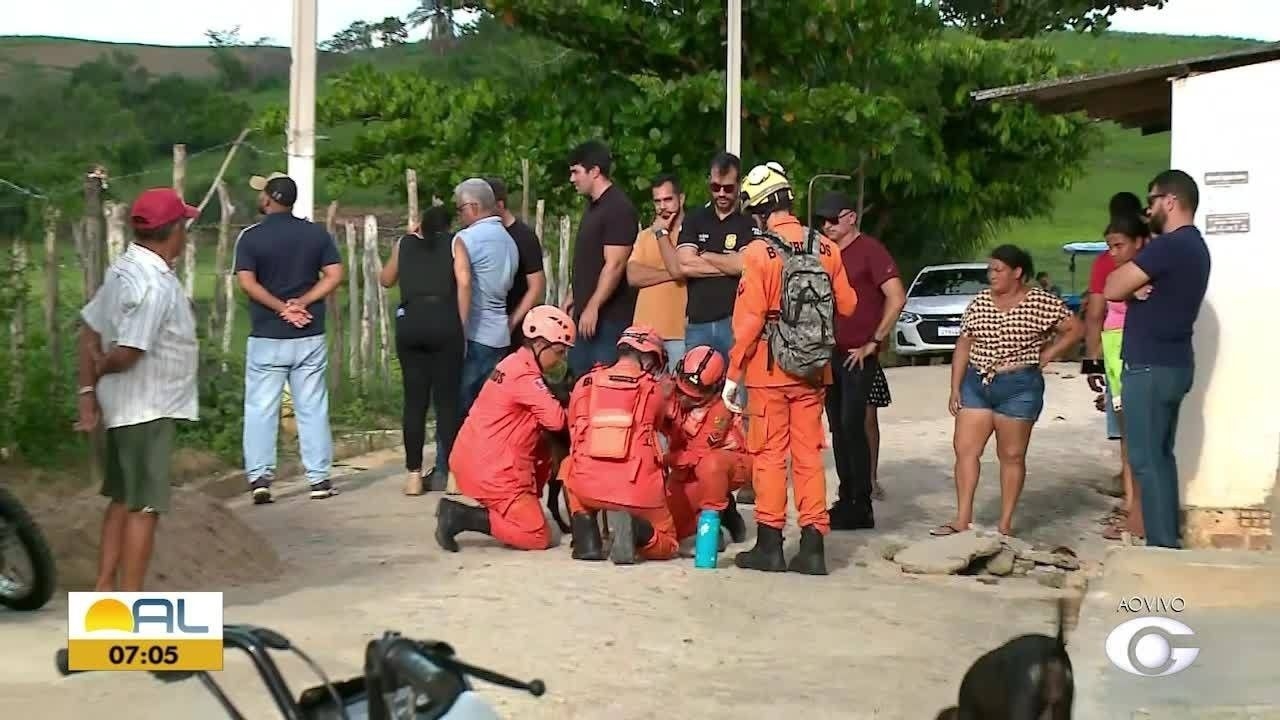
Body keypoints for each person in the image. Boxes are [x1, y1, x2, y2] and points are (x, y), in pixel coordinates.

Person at [725, 162, 858, 576]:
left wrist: (733, 373)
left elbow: (748, 323)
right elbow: (849, 305)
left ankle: (770, 545)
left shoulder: (757, 253)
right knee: (808, 457)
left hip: (769, 372)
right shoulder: (827, 248)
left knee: (768, 456)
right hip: (814, 371)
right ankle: (813, 546)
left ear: (760, 210)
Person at [75, 187, 200, 591]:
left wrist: (88, 393)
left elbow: (89, 328)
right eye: (184, 226)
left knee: (122, 498)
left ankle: (104, 587)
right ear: (174, 231)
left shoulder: (124, 270)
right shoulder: (153, 286)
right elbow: (129, 351)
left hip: (125, 405)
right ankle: (130, 599)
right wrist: (101, 366)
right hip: (147, 407)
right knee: (144, 506)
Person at [935, 244, 1082, 539]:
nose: (992, 275)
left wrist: (1048, 354)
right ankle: (962, 518)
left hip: (1019, 384)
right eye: (990, 269)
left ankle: (1005, 524)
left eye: (998, 269)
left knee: (1011, 455)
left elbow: (1075, 329)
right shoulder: (979, 302)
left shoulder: (1039, 301)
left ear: (1017, 272)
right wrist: (955, 387)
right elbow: (964, 344)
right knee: (965, 449)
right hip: (977, 381)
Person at [1104, 170, 1211, 549]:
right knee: (1161, 458)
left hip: (1150, 365)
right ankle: (1166, 542)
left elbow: (1111, 287)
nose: (1147, 210)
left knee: (1146, 460)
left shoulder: (1168, 247)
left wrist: (1129, 287)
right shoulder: (1196, 246)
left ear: (1170, 200)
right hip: (1175, 363)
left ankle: (1162, 546)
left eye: (1151, 200)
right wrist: (1135, 288)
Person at [234, 173, 344, 503]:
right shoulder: (316, 234)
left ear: (269, 199)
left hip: (267, 335)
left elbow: (247, 283)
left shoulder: (251, 237)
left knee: (261, 408)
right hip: (308, 333)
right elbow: (334, 275)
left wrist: (282, 308)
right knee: (312, 407)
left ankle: (260, 477)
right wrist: (303, 303)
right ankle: (319, 478)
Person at [434, 305, 577, 552]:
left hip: (474, 458)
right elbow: (555, 420)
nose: (561, 359)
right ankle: (460, 516)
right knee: (536, 535)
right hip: (493, 470)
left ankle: (498, 514)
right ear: (539, 344)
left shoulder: (511, 363)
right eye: (559, 351)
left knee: (527, 513)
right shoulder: (525, 376)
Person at [813, 191, 906, 529]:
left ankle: (861, 501)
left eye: (833, 219)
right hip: (829, 352)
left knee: (853, 424)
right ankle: (847, 496)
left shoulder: (870, 250)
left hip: (857, 352)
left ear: (851, 217)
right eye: (822, 220)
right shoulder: (824, 252)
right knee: (838, 427)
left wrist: (874, 342)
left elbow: (897, 296)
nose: (827, 226)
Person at [562, 325, 678, 564]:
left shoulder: (586, 382)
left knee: (568, 466)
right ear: (648, 358)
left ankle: (587, 541)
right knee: (668, 542)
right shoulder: (654, 390)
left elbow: (573, 428)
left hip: (588, 485)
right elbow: (659, 425)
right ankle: (639, 529)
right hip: (637, 489)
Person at [380, 205, 469, 495]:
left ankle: (413, 476)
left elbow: (385, 279)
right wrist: (461, 324)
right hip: (444, 322)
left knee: (414, 402)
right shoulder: (455, 243)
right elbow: (464, 281)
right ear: (448, 226)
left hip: (411, 324)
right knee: (447, 403)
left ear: (420, 224)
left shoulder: (404, 244)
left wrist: (408, 238)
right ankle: (454, 476)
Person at [658, 152, 753, 361]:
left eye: (728, 188)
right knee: (694, 382)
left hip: (734, 323)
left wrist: (704, 254)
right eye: (715, 187)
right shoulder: (695, 218)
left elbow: (746, 264)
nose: (721, 193)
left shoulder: (748, 222)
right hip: (698, 323)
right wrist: (729, 264)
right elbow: (684, 264)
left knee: (734, 383)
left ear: (739, 185)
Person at [1095, 212, 1150, 543]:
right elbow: (1102, 308)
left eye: (1118, 245)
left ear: (1138, 242)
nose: (1112, 253)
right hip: (1114, 353)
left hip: (1135, 353)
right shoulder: (1119, 274)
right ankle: (1130, 505)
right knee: (1126, 437)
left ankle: (1139, 512)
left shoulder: (1145, 274)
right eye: (1109, 246)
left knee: (1140, 436)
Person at [565, 140, 641, 376]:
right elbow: (589, 260)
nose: (572, 179)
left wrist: (593, 306)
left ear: (595, 171)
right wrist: (573, 297)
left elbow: (615, 264)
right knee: (579, 383)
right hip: (586, 315)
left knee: (601, 384)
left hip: (608, 320)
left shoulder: (618, 208)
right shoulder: (593, 207)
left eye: (576, 172)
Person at [662, 346, 749, 547]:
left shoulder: (721, 408)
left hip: (727, 464)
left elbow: (697, 453)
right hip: (685, 465)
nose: (684, 398)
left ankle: (715, 518)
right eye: (682, 390)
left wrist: (661, 459)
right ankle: (720, 507)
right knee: (670, 525)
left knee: (710, 467)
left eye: (693, 396)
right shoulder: (671, 390)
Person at [452, 178, 519, 416]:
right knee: (488, 410)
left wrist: (459, 329)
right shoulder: (509, 240)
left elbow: (464, 283)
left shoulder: (466, 239)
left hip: (475, 333)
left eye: (460, 209)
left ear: (473, 207)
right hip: (500, 333)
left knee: (461, 409)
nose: (459, 215)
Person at [627, 174, 688, 368]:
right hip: (644, 334)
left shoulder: (692, 234)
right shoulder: (645, 235)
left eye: (668, 199)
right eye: (657, 201)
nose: (662, 207)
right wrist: (674, 273)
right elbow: (633, 276)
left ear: (681, 199)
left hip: (680, 333)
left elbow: (686, 269)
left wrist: (662, 234)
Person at [485, 177, 547, 347]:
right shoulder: (480, 235)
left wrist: (512, 321)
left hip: (515, 327)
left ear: (499, 205)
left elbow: (536, 286)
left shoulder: (524, 237)